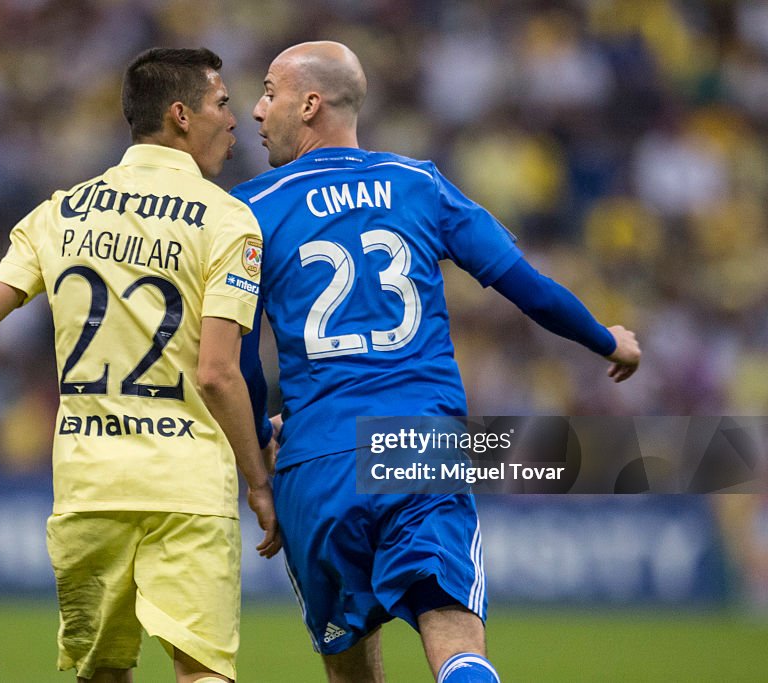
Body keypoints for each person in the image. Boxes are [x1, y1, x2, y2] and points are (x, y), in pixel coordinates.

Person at [231, 42, 641, 683]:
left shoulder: (252, 209)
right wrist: (605, 340)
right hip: (419, 442)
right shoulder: (417, 184)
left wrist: (261, 453)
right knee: (455, 640)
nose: (255, 110)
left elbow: (239, 363)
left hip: (315, 461)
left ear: (309, 104)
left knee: (351, 670)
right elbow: (525, 286)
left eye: (268, 91)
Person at [0, 47, 280, 683]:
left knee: (103, 672)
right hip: (188, 484)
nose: (234, 120)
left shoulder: (58, 213)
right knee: (203, 672)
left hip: (89, 487)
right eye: (222, 104)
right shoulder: (229, 220)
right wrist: (258, 482)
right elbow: (219, 374)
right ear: (180, 116)